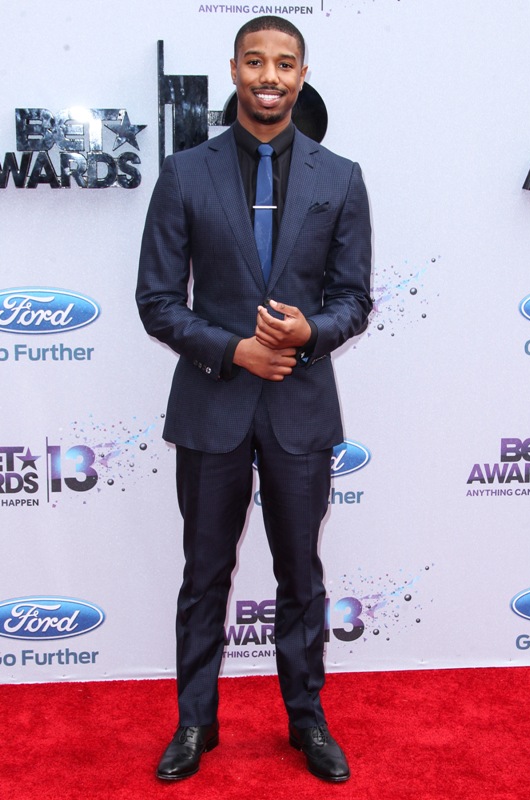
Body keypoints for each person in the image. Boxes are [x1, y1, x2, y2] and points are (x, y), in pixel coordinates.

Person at [136, 14, 372, 784]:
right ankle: (194, 722)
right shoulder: (184, 174)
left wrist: (309, 333)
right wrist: (232, 348)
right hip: (212, 404)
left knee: (300, 575)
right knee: (204, 573)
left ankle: (306, 719)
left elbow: (353, 300)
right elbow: (157, 300)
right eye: (255, 61)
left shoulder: (340, 178)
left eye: (284, 63)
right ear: (235, 69)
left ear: (301, 75)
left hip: (301, 408)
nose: (269, 76)